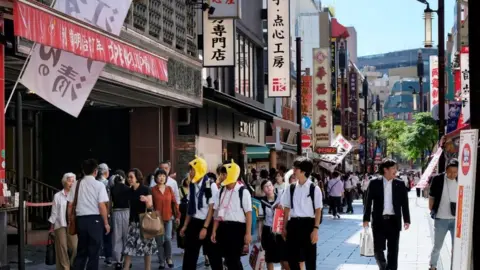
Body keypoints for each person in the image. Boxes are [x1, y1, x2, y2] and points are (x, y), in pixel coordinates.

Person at [363, 159, 411, 270]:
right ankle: (383, 267)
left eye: (396, 168)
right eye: (393, 168)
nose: (396, 170)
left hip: (394, 221)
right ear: (385, 169)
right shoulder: (374, 183)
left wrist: (407, 220)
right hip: (379, 221)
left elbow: (405, 203)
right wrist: (366, 219)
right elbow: (368, 201)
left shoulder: (400, 184)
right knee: (378, 249)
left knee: (393, 250)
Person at [180, 156, 223, 270]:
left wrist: (205, 227)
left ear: (199, 169)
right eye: (190, 170)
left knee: (213, 256)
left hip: (207, 223)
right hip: (194, 223)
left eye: (192, 169)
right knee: (189, 255)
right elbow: (190, 207)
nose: (190, 172)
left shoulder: (211, 185)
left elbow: (211, 208)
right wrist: (185, 225)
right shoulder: (192, 184)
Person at [281, 157, 323, 270]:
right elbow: (286, 209)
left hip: (308, 224)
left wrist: (315, 229)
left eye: (296, 168)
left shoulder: (314, 189)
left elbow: (318, 210)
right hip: (293, 224)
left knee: (310, 259)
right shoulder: (291, 188)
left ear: (303, 171)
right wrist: (284, 227)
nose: (293, 171)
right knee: (292, 258)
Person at [68, 159, 110, 270]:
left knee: (81, 250)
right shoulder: (99, 185)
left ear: (83, 170)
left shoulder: (76, 184)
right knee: (94, 252)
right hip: (95, 220)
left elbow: (70, 205)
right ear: (95, 171)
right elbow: (102, 206)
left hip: (80, 220)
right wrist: (106, 223)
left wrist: (70, 219)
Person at [211, 160, 253, 270]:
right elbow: (217, 212)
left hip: (237, 229)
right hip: (223, 227)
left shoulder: (243, 191)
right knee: (224, 258)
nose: (222, 176)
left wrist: (248, 234)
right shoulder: (221, 191)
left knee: (233, 259)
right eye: (221, 174)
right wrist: (214, 230)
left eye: (224, 174)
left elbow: (248, 213)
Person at [122, 169, 156, 270]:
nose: (129, 179)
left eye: (131, 177)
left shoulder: (146, 189)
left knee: (147, 248)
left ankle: (147, 268)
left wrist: (146, 200)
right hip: (133, 222)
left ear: (138, 177)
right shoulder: (129, 191)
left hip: (145, 222)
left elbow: (151, 207)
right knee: (128, 247)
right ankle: (126, 268)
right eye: (128, 177)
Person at [428, 159, 458, 270]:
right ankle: (433, 266)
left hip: (456, 220)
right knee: (437, 246)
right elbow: (431, 196)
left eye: (455, 172)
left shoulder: (462, 180)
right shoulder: (438, 179)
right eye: (450, 172)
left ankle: (453, 266)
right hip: (441, 219)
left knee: (456, 247)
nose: (452, 174)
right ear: (446, 170)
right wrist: (431, 209)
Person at [151, 169, 180, 269]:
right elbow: (151, 205)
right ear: (156, 178)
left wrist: (177, 216)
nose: (162, 177)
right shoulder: (152, 190)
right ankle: (161, 261)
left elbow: (174, 203)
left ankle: (169, 258)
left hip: (168, 217)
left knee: (167, 238)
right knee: (159, 241)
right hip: (157, 219)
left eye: (163, 176)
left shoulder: (169, 189)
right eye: (159, 176)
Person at [258, 180, 289, 270]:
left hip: (280, 229)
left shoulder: (280, 199)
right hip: (268, 231)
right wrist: (260, 234)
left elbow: (286, 213)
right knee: (269, 258)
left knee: (284, 257)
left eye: (270, 185)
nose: (269, 188)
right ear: (263, 190)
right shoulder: (262, 202)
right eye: (266, 187)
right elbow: (261, 220)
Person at [49, 173, 78, 270]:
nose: (72, 183)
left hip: (72, 225)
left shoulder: (76, 196)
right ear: (64, 182)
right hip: (60, 225)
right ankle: (66, 268)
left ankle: (73, 265)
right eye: (70, 181)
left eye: (73, 181)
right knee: (62, 249)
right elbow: (54, 213)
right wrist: (51, 228)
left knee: (75, 247)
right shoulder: (57, 196)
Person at [110, 170, 130, 270]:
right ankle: (127, 260)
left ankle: (117, 261)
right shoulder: (128, 188)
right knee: (126, 237)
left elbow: (110, 203)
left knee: (116, 237)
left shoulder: (112, 188)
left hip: (116, 212)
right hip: (127, 212)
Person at [96, 163, 113, 265]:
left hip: (95, 212)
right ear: (106, 172)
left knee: (97, 235)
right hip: (106, 211)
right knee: (107, 235)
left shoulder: (94, 183)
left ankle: (97, 254)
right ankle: (108, 256)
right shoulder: (108, 183)